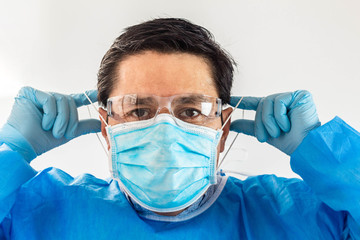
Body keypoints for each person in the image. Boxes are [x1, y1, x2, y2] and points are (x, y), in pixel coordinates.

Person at [0, 18, 359, 239]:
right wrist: (12, 151)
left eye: (191, 110)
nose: (164, 135)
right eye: (138, 109)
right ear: (107, 130)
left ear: (223, 128)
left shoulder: (298, 217)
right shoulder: (37, 212)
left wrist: (322, 149)